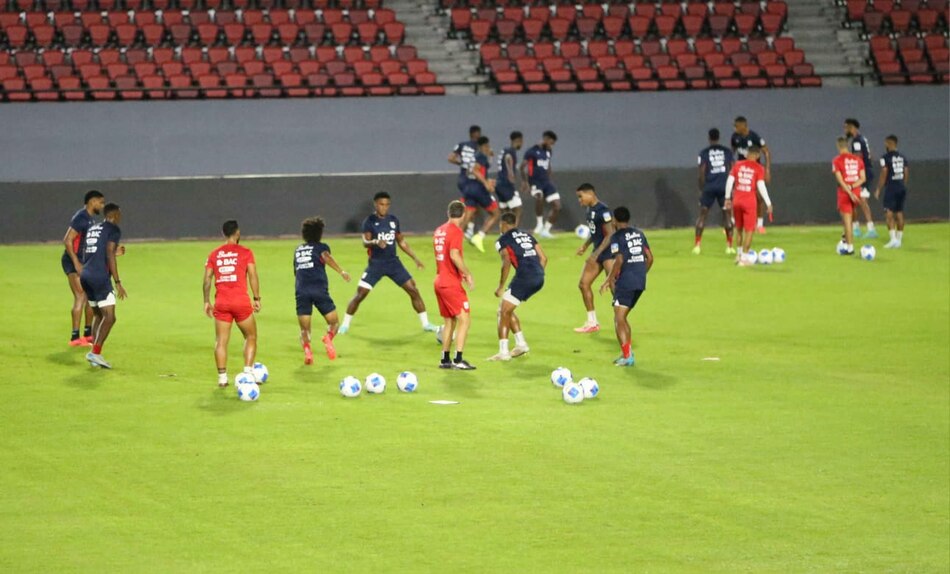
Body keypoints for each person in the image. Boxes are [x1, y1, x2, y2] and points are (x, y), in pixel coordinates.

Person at [339, 191, 438, 334]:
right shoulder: (369, 221)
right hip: (376, 264)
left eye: (387, 205)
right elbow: (365, 242)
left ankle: (426, 324)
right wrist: (375, 241)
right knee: (360, 294)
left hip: (393, 264)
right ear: (376, 204)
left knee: (413, 290)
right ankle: (345, 325)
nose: (384, 208)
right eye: (381, 204)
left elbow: (401, 241)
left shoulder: (393, 220)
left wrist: (414, 258)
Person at [203, 220, 261, 388]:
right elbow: (253, 275)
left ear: (223, 234)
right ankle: (248, 373)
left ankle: (222, 378)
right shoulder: (246, 252)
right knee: (250, 336)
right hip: (240, 301)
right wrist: (257, 298)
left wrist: (207, 301)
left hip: (221, 302)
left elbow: (207, 279)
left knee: (221, 341)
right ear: (237, 233)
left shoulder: (214, 254)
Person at [599, 206, 653, 367]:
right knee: (623, 317)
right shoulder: (639, 234)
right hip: (640, 282)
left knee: (619, 318)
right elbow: (650, 258)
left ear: (614, 220)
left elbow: (619, 260)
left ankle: (627, 356)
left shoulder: (616, 237)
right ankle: (627, 353)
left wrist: (609, 279)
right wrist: (641, 273)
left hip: (626, 282)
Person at [489, 212, 547, 361]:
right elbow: (544, 258)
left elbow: (506, 261)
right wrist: (538, 274)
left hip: (524, 277)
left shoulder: (502, 240)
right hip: (539, 276)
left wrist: (500, 286)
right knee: (505, 309)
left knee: (503, 312)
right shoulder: (528, 235)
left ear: (503, 224)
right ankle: (521, 344)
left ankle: (503, 353)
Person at [294, 217, 351, 365]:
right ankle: (328, 338)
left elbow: (296, 272)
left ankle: (307, 351)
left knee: (305, 330)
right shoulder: (321, 247)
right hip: (319, 290)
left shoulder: (298, 250)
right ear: (319, 233)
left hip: (301, 292)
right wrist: (341, 271)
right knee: (334, 323)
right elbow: (326, 257)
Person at [79, 203, 128, 369]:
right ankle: (96, 353)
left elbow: (93, 250)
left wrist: (114, 253)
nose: (120, 218)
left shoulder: (94, 228)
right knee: (110, 317)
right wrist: (118, 281)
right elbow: (108, 254)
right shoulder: (113, 229)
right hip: (100, 277)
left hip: (86, 275)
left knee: (99, 316)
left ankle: (94, 356)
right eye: (119, 214)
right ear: (113, 215)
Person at [433, 201, 476, 370]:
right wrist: (467, 273)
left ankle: (445, 359)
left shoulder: (439, 231)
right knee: (465, 320)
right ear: (463, 214)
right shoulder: (456, 231)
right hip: (450, 283)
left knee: (449, 321)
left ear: (448, 213)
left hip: (439, 281)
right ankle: (458, 359)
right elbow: (454, 254)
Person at [62, 190, 105, 347]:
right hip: (72, 262)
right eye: (101, 202)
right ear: (92, 202)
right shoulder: (81, 218)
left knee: (89, 296)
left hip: (83, 262)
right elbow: (67, 240)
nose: (102, 205)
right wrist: (76, 263)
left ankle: (87, 334)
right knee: (80, 296)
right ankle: (74, 338)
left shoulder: (90, 220)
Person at [574, 183, 615, 333]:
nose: (579, 200)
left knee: (614, 286)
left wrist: (596, 254)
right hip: (597, 251)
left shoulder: (603, 210)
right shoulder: (589, 210)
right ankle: (592, 322)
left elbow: (610, 234)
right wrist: (585, 246)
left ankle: (621, 318)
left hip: (608, 252)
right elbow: (595, 232)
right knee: (583, 284)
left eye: (580, 196)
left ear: (590, 194)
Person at [725, 146, 773, 266]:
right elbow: (761, 186)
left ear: (747, 154)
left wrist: (727, 198)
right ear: (757, 156)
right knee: (750, 230)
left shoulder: (738, 165)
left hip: (736, 201)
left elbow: (730, 181)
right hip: (749, 202)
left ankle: (738, 255)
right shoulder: (758, 168)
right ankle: (745, 259)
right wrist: (768, 203)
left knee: (739, 230)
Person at [694, 128, 736, 255]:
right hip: (724, 187)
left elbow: (702, 171)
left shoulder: (704, 153)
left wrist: (702, 188)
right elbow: (733, 169)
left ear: (709, 137)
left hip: (709, 187)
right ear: (718, 137)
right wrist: (732, 187)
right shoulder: (727, 152)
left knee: (702, 216)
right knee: (727, 216)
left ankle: (697, 246)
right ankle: (729, 246)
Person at [731, 116, 772, 234]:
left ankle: (760, 224)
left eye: (736, 126)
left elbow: (766, 151)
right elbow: (732, 151)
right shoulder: (735, 137)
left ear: (743, 126)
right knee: (736, 195)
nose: (735, 128)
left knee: (758, 197)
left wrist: (767, 169)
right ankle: (734, 222)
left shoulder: (754, 137)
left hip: (754, 170)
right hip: (740, 170)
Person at [462, 135, 501, 253]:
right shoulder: (481, 156)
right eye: (488, 146)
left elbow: (473, 171)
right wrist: (485, 183)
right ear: (484, 146)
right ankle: (479, 237)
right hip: (479, 189)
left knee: (468, 216)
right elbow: (475, 170)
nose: (489, 148)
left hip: (469, 187)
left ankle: (453, 242)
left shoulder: (474, 156)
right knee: (495, 213)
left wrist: (487, 180)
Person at [832, 137, 867, 255]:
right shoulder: (858, 160)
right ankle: (845, 236)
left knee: (846, 220)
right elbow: (863, 178)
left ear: (838, 146)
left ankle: (850, 247)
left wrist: (849, 192)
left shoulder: (837, 160)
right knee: (850, 217)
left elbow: (840, 180)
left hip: (844, 193)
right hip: (857, 191)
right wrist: (853, 188)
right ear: (847, 146)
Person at [844, 118, 879, 239]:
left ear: (852, 127)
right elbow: (870, 155)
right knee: (855, 200)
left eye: (846, 127)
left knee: (862, 200)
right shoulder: (863, 139)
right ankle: (856, 228)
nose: (845, 129)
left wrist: (848, 160)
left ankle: (870, 229)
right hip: (865, 171)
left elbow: (858, 157)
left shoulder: (857, 141)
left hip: (862, 173)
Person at [521, 130, 560, 238]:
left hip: (546, 182)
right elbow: (522, 167)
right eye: (551, 142)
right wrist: (525, 182)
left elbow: (548, 165)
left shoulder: (548, 151)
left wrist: (549, 177)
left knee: (557, 206)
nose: (551, 145)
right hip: (535, 182)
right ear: (545, 139)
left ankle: (546, 230)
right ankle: (539, 224)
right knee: (539, 196)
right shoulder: (532, 151)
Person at [874, 135, 909, 249]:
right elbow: (906, 171)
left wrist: (879, 189)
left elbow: (884, 172)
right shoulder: (903, 157)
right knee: (899, 212)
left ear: (889, 143)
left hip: (891, 187)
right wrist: (903, 184)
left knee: (888, 213)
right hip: (901, 186)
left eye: (885, 143)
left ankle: (893, 239)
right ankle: (899, 240)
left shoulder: (885, 157)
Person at [448, 125, 482, 239]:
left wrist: (461, 164)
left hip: (461, 178)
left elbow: (451, 158)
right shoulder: (478, 147)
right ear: (475, 134)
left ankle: (469, 229)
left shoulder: (461, 145)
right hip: (470, 178)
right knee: (471, 204)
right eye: (478, 133)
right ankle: (466, 230)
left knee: (471, 203)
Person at [495, 131, 525, 226]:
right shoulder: (511, 151)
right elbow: (508, 158)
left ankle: (503, 233)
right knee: (518, 208)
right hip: (506, 184)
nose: (522, 143)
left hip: (499, 184)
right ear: (518, 140)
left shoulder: (504, 150)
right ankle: (513, 232)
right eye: (521, 141)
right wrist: (510, 173)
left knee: (505, 211)